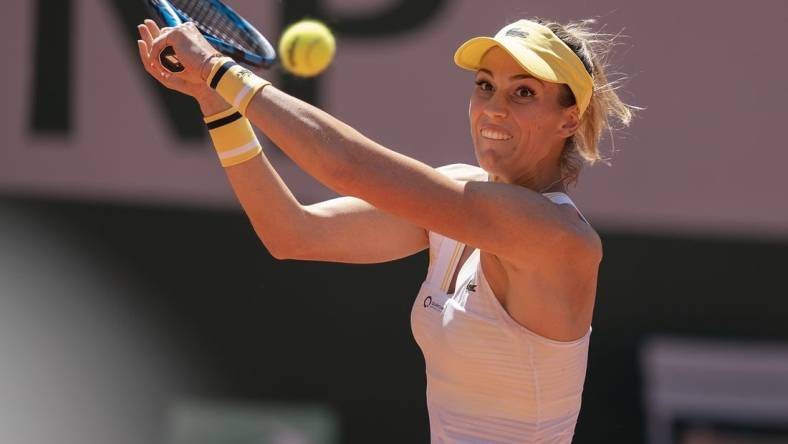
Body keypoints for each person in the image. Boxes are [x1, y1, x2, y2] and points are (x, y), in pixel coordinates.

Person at [137, 16, 634, 443]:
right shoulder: (459, 194)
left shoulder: (556, 236)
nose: (495, 108)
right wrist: (215, 104)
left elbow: (348, 166)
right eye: (485, 85)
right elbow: (292, 233)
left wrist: (220, 71)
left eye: (524, 92)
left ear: (569, 120)